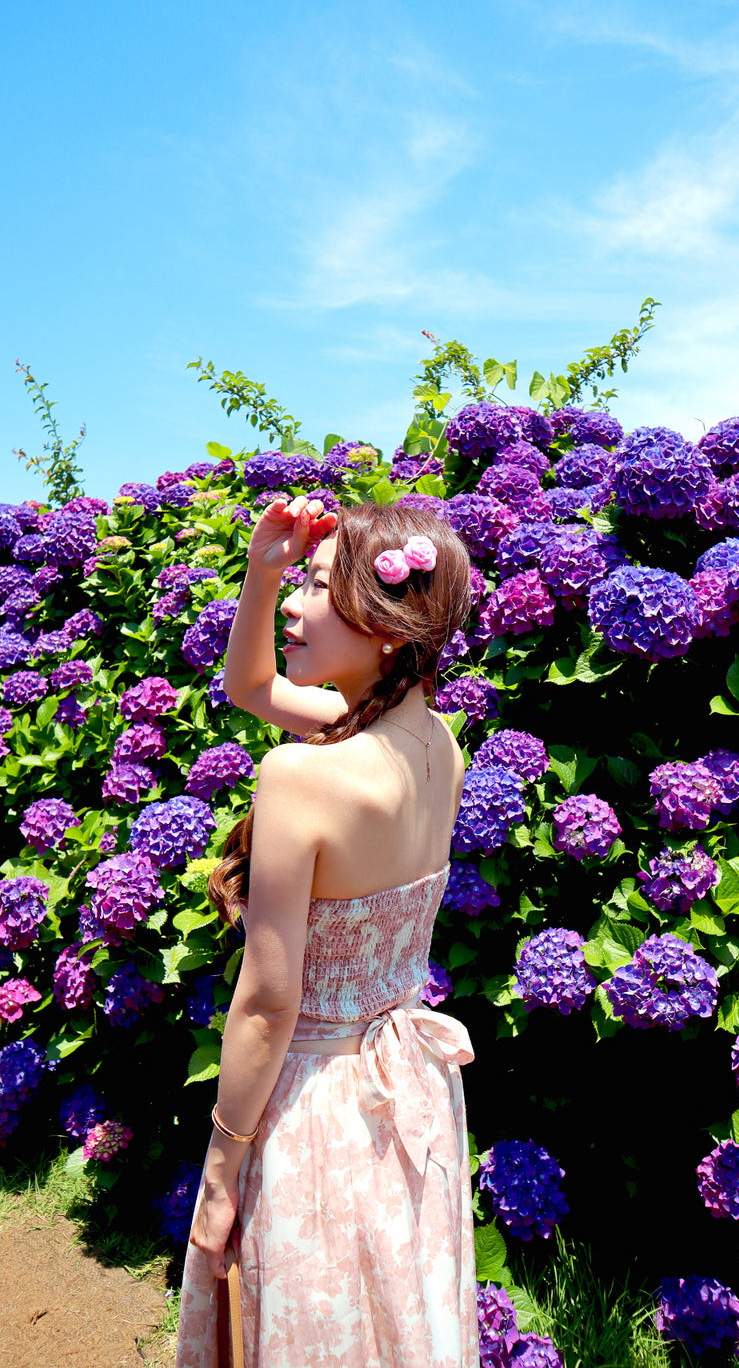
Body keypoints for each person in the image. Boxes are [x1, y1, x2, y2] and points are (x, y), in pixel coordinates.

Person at [175, 493, 479, 1368]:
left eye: (317, 585)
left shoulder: (302, 776)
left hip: (317, 1108)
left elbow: (269, 1002)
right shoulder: (436, 746)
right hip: (410, 1092)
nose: (299, 606)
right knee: (396, 1319)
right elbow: (252, 686)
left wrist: (223, 1169)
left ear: (385, 625)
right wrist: (263, 576)